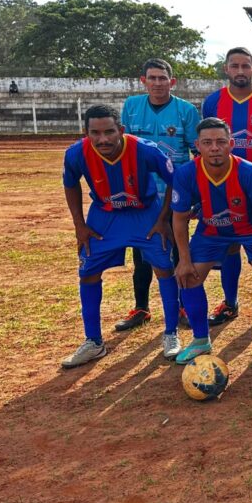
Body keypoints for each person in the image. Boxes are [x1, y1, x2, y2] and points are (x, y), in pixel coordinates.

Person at [60, 104, 180, 367]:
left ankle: (171, 333)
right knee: (88, 271)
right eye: (95, 133)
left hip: (144, 214)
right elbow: (70, 184)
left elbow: (175, 179)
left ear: (121, 130)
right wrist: (79, 225)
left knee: (164, 268)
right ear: (86, 132)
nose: (103, 139)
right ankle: (93, 341)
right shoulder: (76, 154)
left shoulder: (146, 150)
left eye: (109, 132)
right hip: (105, 216)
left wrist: (163, 218)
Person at [171, 118, 252, 364]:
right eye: (208, 142)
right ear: (197, 146)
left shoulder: (249, 172)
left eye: (221, 142)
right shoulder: (186, 174)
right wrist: (184, 259)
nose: (214, 148)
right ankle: (201, 340)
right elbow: (179, 219)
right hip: (211, 230)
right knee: (188, 277)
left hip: (250, 229)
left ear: (231, 144)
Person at [200, 47, 252, 327]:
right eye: (235, 66)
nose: (240, 71)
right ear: (227, 69)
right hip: (222, 188)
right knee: (229, 247)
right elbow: (206, 143)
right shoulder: (212, 102)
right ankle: (230, 301)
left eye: (245, 66)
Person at [116, 58, 200, 334]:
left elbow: (197, 153)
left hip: (174, 195)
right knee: (141, 253)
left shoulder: (186, 111)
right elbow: (123, 147)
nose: (157, 83)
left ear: (171, 82)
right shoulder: (131, 107)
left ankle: (182, 305)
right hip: (140, 196)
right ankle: (141, 307)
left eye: (162, 78)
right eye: (152, 78)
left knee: (178, 250)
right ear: (143, 81)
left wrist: (195, 193)